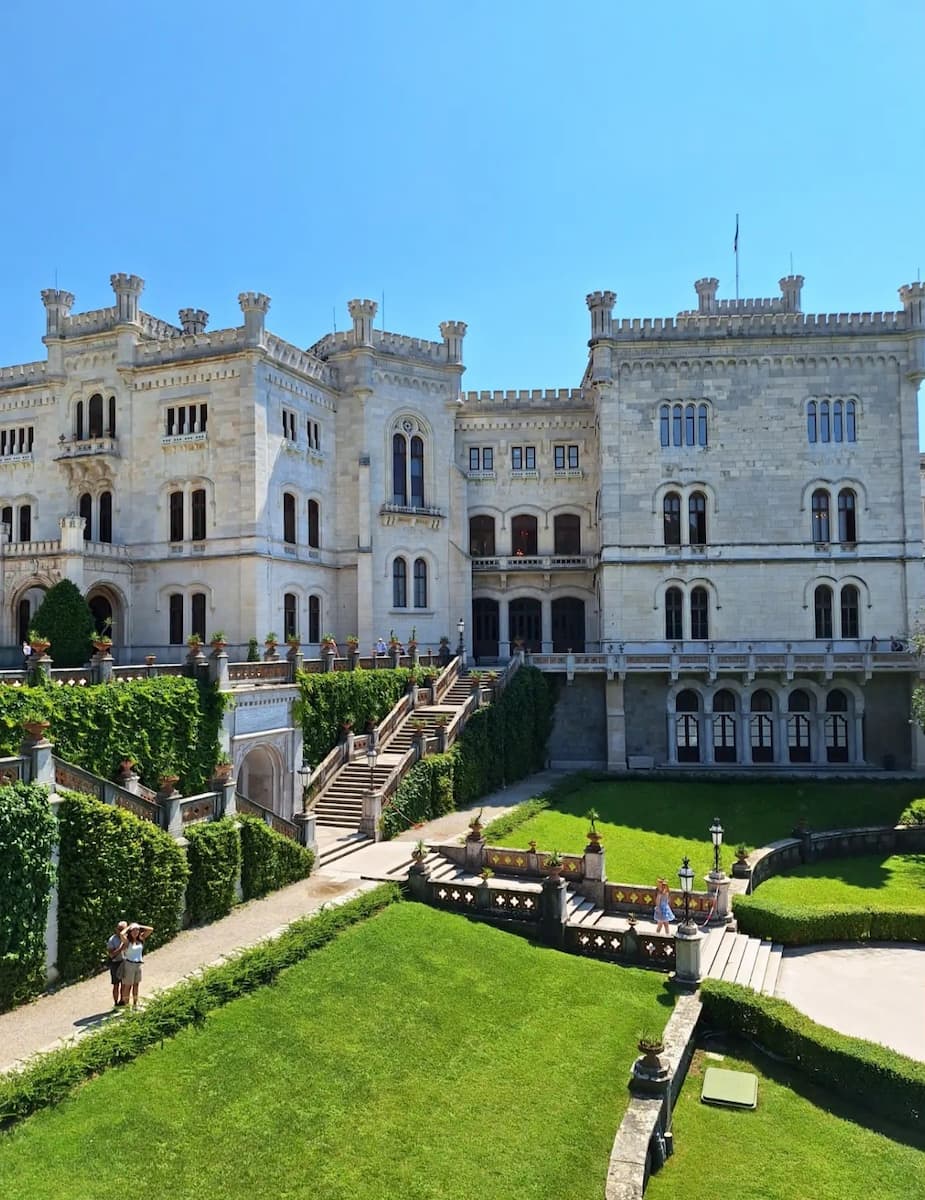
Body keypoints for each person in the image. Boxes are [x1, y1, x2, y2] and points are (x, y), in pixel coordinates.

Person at [119, 922, 154, 1008]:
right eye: (133, 930)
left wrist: (139, 925)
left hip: (138, 965)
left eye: (137, 930)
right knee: (128, 986)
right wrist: (129, 927)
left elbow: (151, 929)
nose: (136, 932)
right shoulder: (127, 942)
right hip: (129, 965)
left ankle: (135, 1004)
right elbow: (121, 934)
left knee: (136, 985)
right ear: (130, 932)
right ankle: (127, 1005)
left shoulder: (140, 939)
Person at [106, 920, 127, 1007]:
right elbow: (111, 955)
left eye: (123, 929)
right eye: (119, 929)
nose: (120, 931)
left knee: (124, 983)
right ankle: (115, 1002)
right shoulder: (112, 940)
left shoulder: (128, 938)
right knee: (116, 984)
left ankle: (122, 1000)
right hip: (115, 963)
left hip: (125, 962)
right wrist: (120, 948)